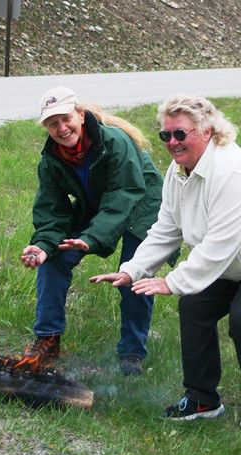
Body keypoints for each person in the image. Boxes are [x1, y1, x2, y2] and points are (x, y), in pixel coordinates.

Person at [91, 94, 241, 429]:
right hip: (238, 252)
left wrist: (172, 281)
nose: (172, 142)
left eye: (180, 134)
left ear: (208, 132)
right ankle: (202, 399)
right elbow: (167, 227)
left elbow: (218, 247)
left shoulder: (231, 174)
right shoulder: (178, 171)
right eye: (166, 135)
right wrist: (132, 270)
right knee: (195, 307)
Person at [21, 86, 165, 376]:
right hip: (99, 201)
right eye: (52, 123)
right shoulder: (51, 159)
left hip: (142, 201)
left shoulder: (115, 141)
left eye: (66, 119)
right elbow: (51, 209)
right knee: (54, 258)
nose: (62, 128)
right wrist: (43, 245)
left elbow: (124, 193)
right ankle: (47, 340)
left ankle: (131, 353)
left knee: (135, 271)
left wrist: (91, 238)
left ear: (81, 115)